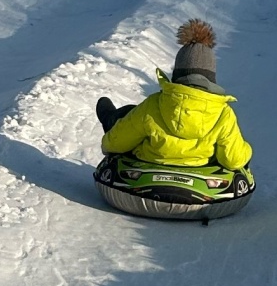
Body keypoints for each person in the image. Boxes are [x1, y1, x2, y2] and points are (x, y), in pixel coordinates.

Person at [96, 20, 252, 176]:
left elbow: (116, 144)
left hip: (149, 171)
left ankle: (111, 120)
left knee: (130, 114)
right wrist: (247, 150)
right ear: (211, 78)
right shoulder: (223, 114)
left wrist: (109, 145)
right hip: (198, 176)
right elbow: (234, 160)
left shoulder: (154, 104)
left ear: (177, 73)